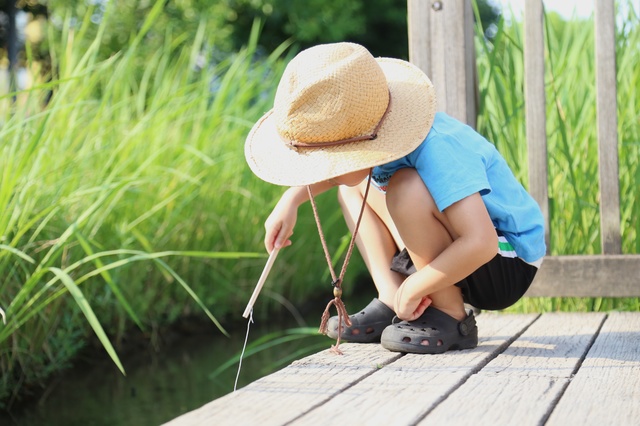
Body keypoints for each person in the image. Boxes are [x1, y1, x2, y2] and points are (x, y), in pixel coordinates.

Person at [244, 42, 545, 354]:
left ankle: (453, 318)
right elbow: (345, 175)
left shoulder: (437, 147)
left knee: (405, 189)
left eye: (332, 156)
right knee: (352, 187)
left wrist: (418, 284)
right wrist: (291, 201)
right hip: (469, 250)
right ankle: (392, 296)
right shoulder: (379, 138)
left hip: (506, 262)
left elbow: (481, 243)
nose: (329, 167)